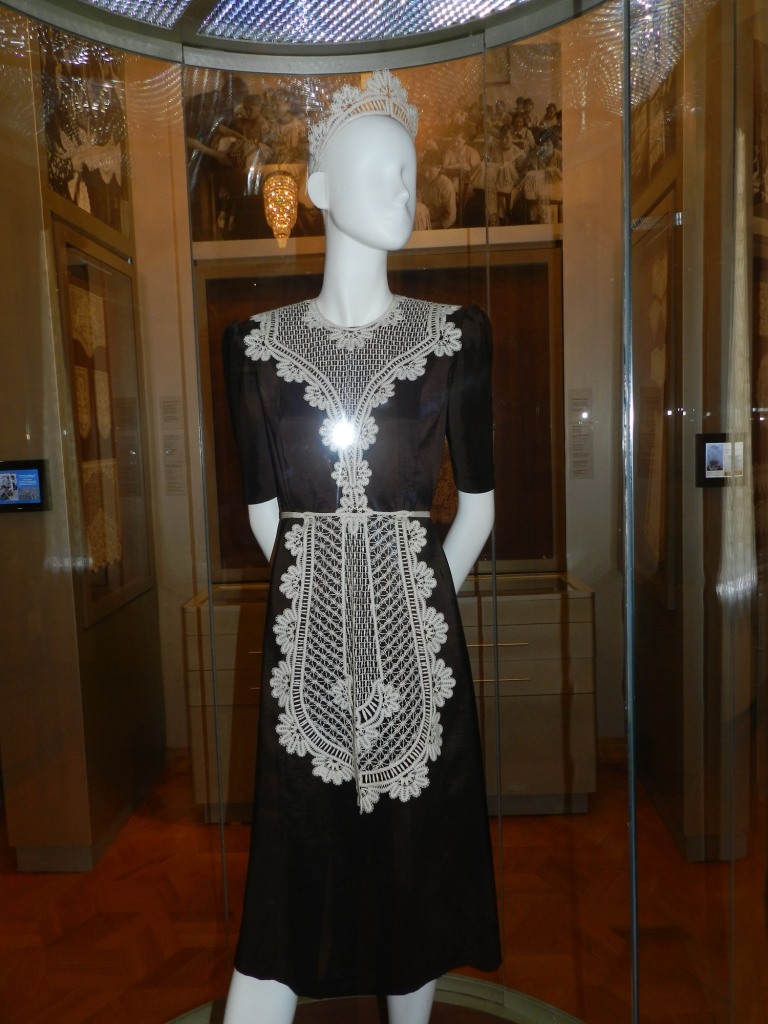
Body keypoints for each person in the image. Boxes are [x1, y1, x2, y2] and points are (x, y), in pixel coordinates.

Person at [221, 70, 500, 1024]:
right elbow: (267, 519)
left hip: (420, 653)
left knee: (413, 863)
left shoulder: (457, 337)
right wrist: (329, 610)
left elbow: (478, 511)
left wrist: (409, 608)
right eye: (378, 169)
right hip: (305, 652)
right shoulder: (253, 346)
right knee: (291, 858)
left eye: (410, 172)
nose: (403, 190)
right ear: (320, 188)